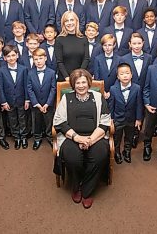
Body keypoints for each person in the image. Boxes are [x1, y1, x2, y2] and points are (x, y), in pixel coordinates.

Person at [53, 69, 111, 209]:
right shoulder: (67, 98)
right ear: (73, 84)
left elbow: (105, 121)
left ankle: (87, 190)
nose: (81, 85)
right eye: (77, 82)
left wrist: (90, 139)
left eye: (84, 82)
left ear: (89, 83)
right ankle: (76, 186)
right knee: (73, 158)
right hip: (72, 137)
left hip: (95, 136)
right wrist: (78, 138)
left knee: (99, 155)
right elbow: (59, 122)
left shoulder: (98, 97)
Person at [108, 63, 143, 164]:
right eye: (122, 74)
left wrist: (139, 119)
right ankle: (117, 152)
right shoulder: (113, 89)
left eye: (127, 73)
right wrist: (111, 119)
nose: (125, 76)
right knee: (117, 137)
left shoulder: (137, 88)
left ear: (131, 74)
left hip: (131, 119)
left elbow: (139, 104)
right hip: (118, 119)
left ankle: (127, 151)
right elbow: (111, 106)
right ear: (118, 77)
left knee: (129, 136)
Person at [0, 44, 30, 149]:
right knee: (12, 119)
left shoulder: (24, 69)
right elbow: (0, 88)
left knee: (22, 118)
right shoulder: (1, 71)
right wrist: (3, 102)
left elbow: (26, 85)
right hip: (9, 100)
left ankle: (23, 136)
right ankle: (17, 137)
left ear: (17, 55)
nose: (11, 58)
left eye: (13, 55)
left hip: (21, 99)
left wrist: (27, 99)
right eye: (8, 56)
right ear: (4, 58)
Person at [27, 48, 56, 150]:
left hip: (48, 103)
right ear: (33, 60)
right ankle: (37, 138)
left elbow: (53, 89)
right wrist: (36, 103)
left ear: (45, 58)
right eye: (36, 59)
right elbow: (29, 89)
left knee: (49, 121)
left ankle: (50, 137)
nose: (38, 61)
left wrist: (48, 103)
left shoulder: (51, 73)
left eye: (40, 58)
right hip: (36, 104)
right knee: (36, 122)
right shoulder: (30, 73)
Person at [55, 11, 90, 81]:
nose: (69, 23)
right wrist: (67, 78)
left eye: (72, 20)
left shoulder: (84, 39)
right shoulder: (59, 39)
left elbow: (86, 59)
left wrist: (79, 76)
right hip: (64, 79)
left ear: (76, 21)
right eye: (66, 21)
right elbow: (59, 62)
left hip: (81, 79)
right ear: (63, 24)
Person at [93, 34, 120, 99]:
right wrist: (103, 91)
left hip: (115, 91)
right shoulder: (97, 59)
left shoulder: (119, 59)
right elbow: (97, 77)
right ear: (102, 46)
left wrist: (111, 91)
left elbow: (119, 77)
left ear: (114, 45)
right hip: (101, 91)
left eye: (110, 45)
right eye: (105, 45)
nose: (107, 47)